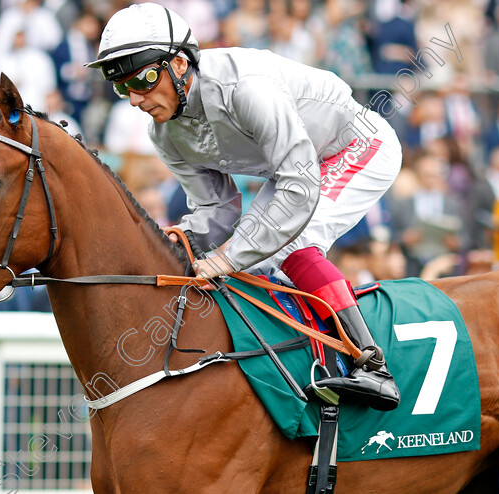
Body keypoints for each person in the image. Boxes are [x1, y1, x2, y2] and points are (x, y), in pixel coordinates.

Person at [86, 3, 403, 410]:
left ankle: (373, 365)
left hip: (356, 144)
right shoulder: (164, 133)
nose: (135, 99)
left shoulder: (246, 89)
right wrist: (173, 244)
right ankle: (304, 364)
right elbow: (217, 209)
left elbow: (299, 185)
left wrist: (226, 257)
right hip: (294, 168)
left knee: (288, 244)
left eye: (144, 80)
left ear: (180, 64)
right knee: (252, 262)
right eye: (121, 87)